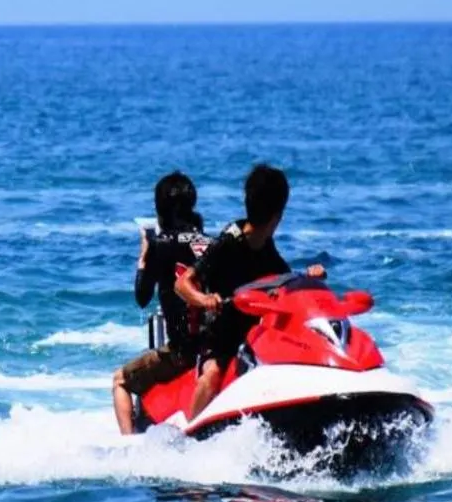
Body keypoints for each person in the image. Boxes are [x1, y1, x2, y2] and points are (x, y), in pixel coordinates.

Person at [176, 163, 324, 421]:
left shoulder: (266, 244)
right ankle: (192, 433)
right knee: (211, 377)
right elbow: (183, 283)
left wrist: (307, 278)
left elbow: (283, 281)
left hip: (256, 332)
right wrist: (204, 299)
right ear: (279, 214)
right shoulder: (230, 241)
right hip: (219, 335)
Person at [112, 171, 209, 434]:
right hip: (211, 349)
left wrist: (144, 259)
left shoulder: (160, 244)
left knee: (120, 380)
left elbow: (142, 298)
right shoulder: (211, 243)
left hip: (181, 354)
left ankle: (129, 448)